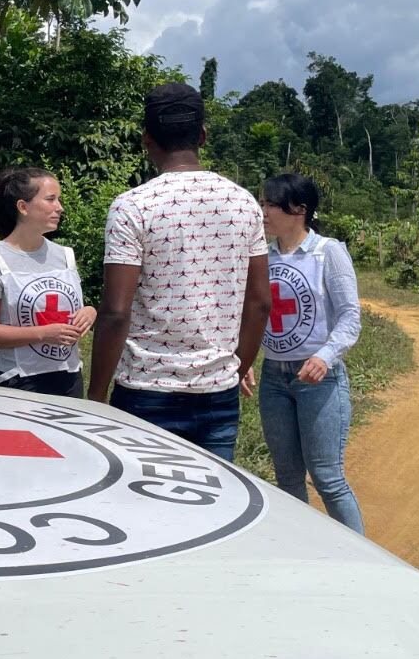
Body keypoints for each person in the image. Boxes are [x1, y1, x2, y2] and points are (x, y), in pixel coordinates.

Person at [86, 81, 270, 462]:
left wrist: (96, 395)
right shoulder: (244, 203)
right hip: (218, 395)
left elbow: (116, 312)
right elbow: (259, 303)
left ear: (146, 139)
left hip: (145, 393)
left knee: (142, 497)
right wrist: (234, 371)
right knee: (211, 496)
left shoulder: (132, 207)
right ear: (202, 135)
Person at [242, 172, 366, 534]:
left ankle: (360, 556)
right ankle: (304, 550)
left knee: (327, 477)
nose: (263, 212)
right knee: (287, 478)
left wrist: (324, 356)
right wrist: (245, 357)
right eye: (262, 203)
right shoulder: (262, 256)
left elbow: (350, 317)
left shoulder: (327, 253)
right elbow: (252, 311)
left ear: (299, 210)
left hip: (319, 382)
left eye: (271, 204)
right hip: (274, 380)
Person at [0, 167, 96, 398]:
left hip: (69, 378)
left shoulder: (66, 255)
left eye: (59, 199)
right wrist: (43, 333)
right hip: (19, 383)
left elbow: (73, 306)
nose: (60, 207)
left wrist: (90, 312)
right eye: (51, 199)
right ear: (23, 207)